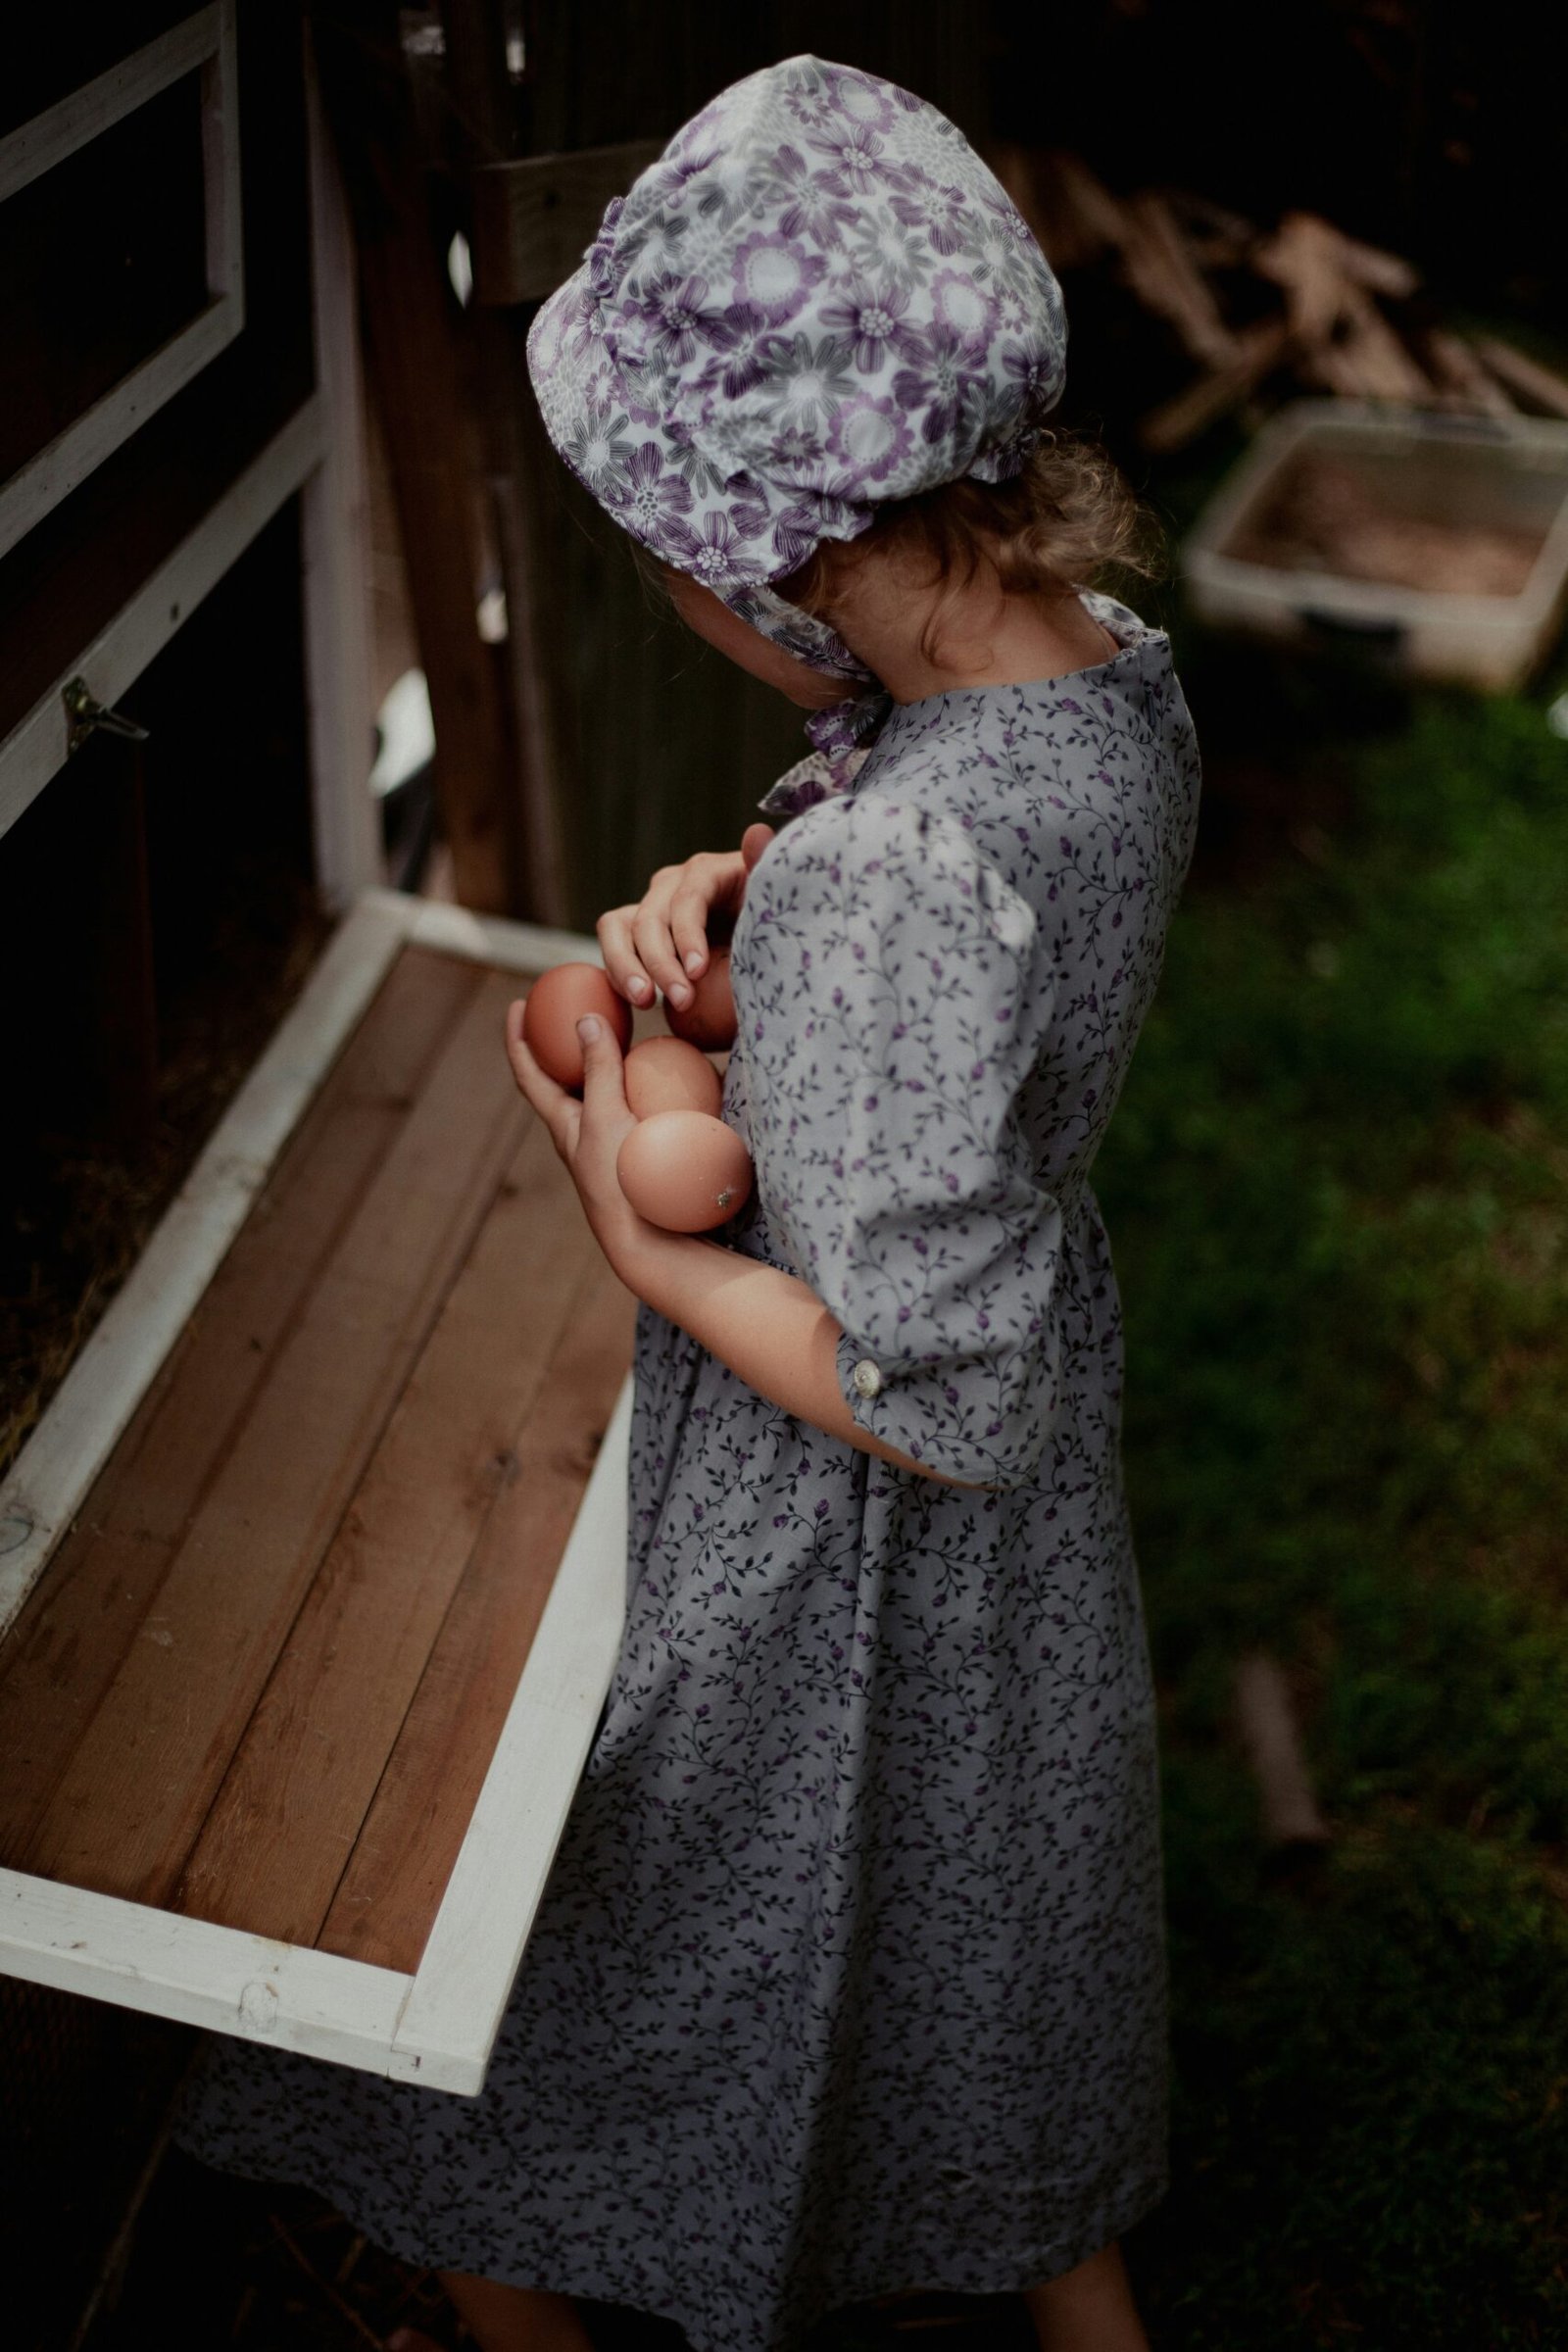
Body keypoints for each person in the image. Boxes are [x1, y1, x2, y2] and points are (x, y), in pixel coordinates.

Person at [176, 55, 1200, 2352]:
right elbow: (948, 978)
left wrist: (639, 1235)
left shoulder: (901, 873)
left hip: (824, 1524)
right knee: (974, 1936)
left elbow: (929, 1386)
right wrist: (735, 890)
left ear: (787, 557)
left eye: (678, 578)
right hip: (999, 1582)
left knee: (593, 1960)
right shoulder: (1109, 697)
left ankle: (525, 2267)